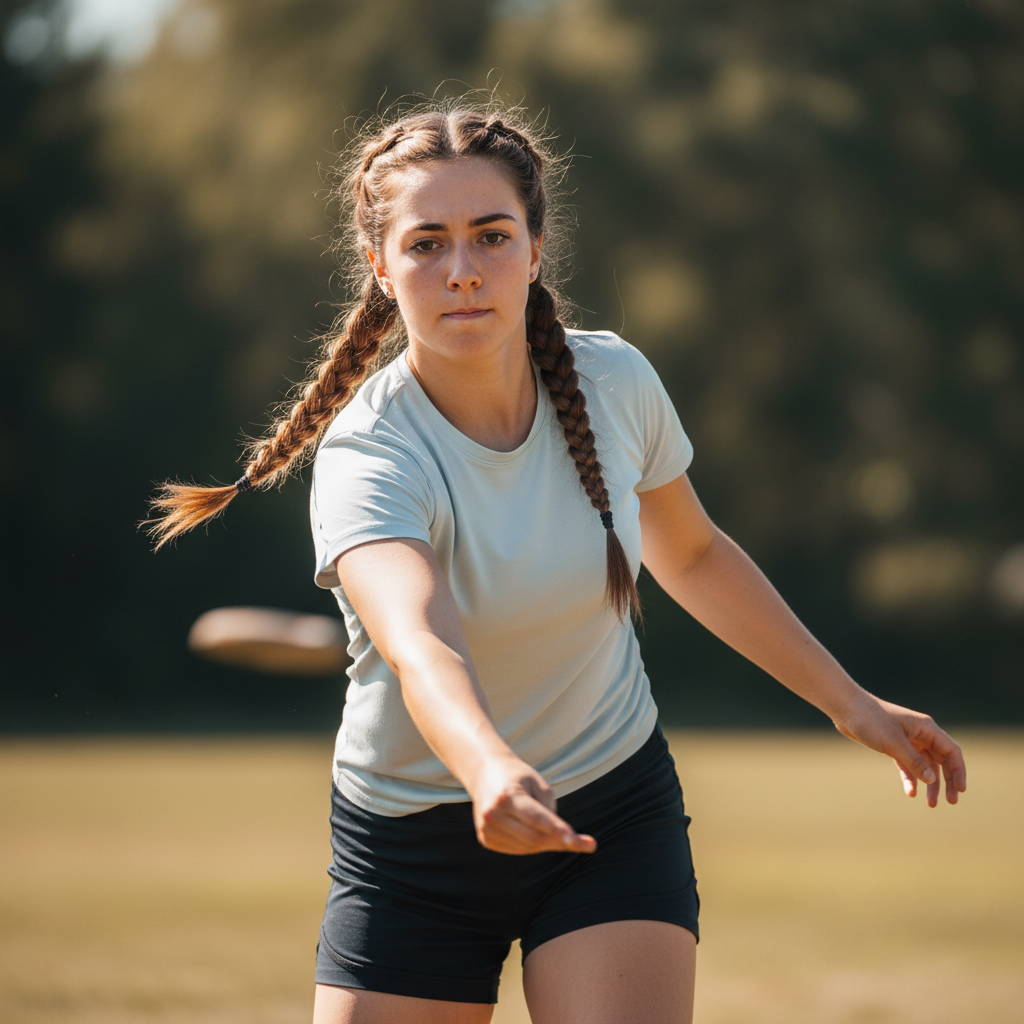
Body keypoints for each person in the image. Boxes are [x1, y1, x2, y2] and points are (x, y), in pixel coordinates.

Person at [149, 102, 967, 1024]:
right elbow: (422, 646)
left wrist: (851, 703)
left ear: (535, 249)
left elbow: (695, 553)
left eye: (492, 236)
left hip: (609, 813)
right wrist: (491, 769)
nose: (463, 270)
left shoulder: (615, 382)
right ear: (380, 266)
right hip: (412, 848)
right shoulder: (369, 454)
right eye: (427, 244)